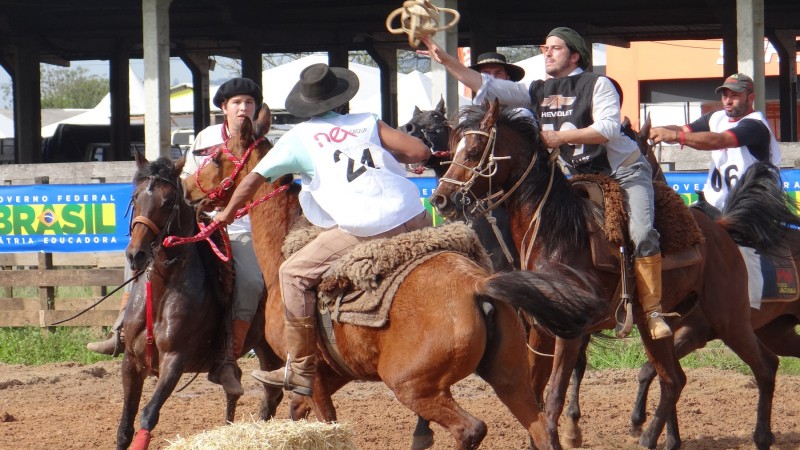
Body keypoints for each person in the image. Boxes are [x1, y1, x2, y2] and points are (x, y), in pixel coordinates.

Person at [419, 28, 672, 340]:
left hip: (623, 172)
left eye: (555, 48)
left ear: (575, 55)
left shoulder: (598, 84)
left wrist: (560, 137)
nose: (547, 53)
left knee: (641, 232)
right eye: (545, 48)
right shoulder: (536, 89)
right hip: (576, 176)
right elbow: (485, 85)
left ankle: (654, 310)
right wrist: (446, 60)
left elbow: (608, 129)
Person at [213, 63, 432, 396]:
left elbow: (254, 178)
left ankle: (301, 368)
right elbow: (419, 152)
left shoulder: (298, 138)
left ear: (305, 104)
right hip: (414, 214)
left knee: (291, 273)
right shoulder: (367, 121)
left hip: (368, 225)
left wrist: (227, 213)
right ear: (342, 97)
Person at [87, 78, 267, 397]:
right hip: (198, 220)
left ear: (255, 109)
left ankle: (227, 358)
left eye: (250, 103)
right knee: (140, 255)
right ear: (224, 108)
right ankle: (121, 332)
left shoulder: (263, 143)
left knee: (251, 280)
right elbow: (188, 179)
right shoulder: (206, 138)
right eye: (237, 102)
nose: (244, 108)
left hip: (241, 227)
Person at [649, 73, 782, 308]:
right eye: (725, 95)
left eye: (735, 95)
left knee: (742, 250)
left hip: (749, 206)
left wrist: (677, 136)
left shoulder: (755, 125)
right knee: (678, 230)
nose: (728, 100)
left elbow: (719, 140)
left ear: (751, 97)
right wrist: (659, 130)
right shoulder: (717, 117)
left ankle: (749, 308)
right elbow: (684, 128)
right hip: (713, 203)